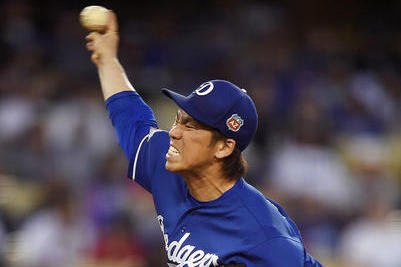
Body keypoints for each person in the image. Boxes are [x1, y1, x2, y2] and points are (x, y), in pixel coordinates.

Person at [84, 9, 322, 267]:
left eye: (191, 126)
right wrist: (107, 60)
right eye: (178, 119)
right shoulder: (168, 164)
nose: (174, 132)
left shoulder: (264, 235)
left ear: (223, 147)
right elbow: (131, 118)